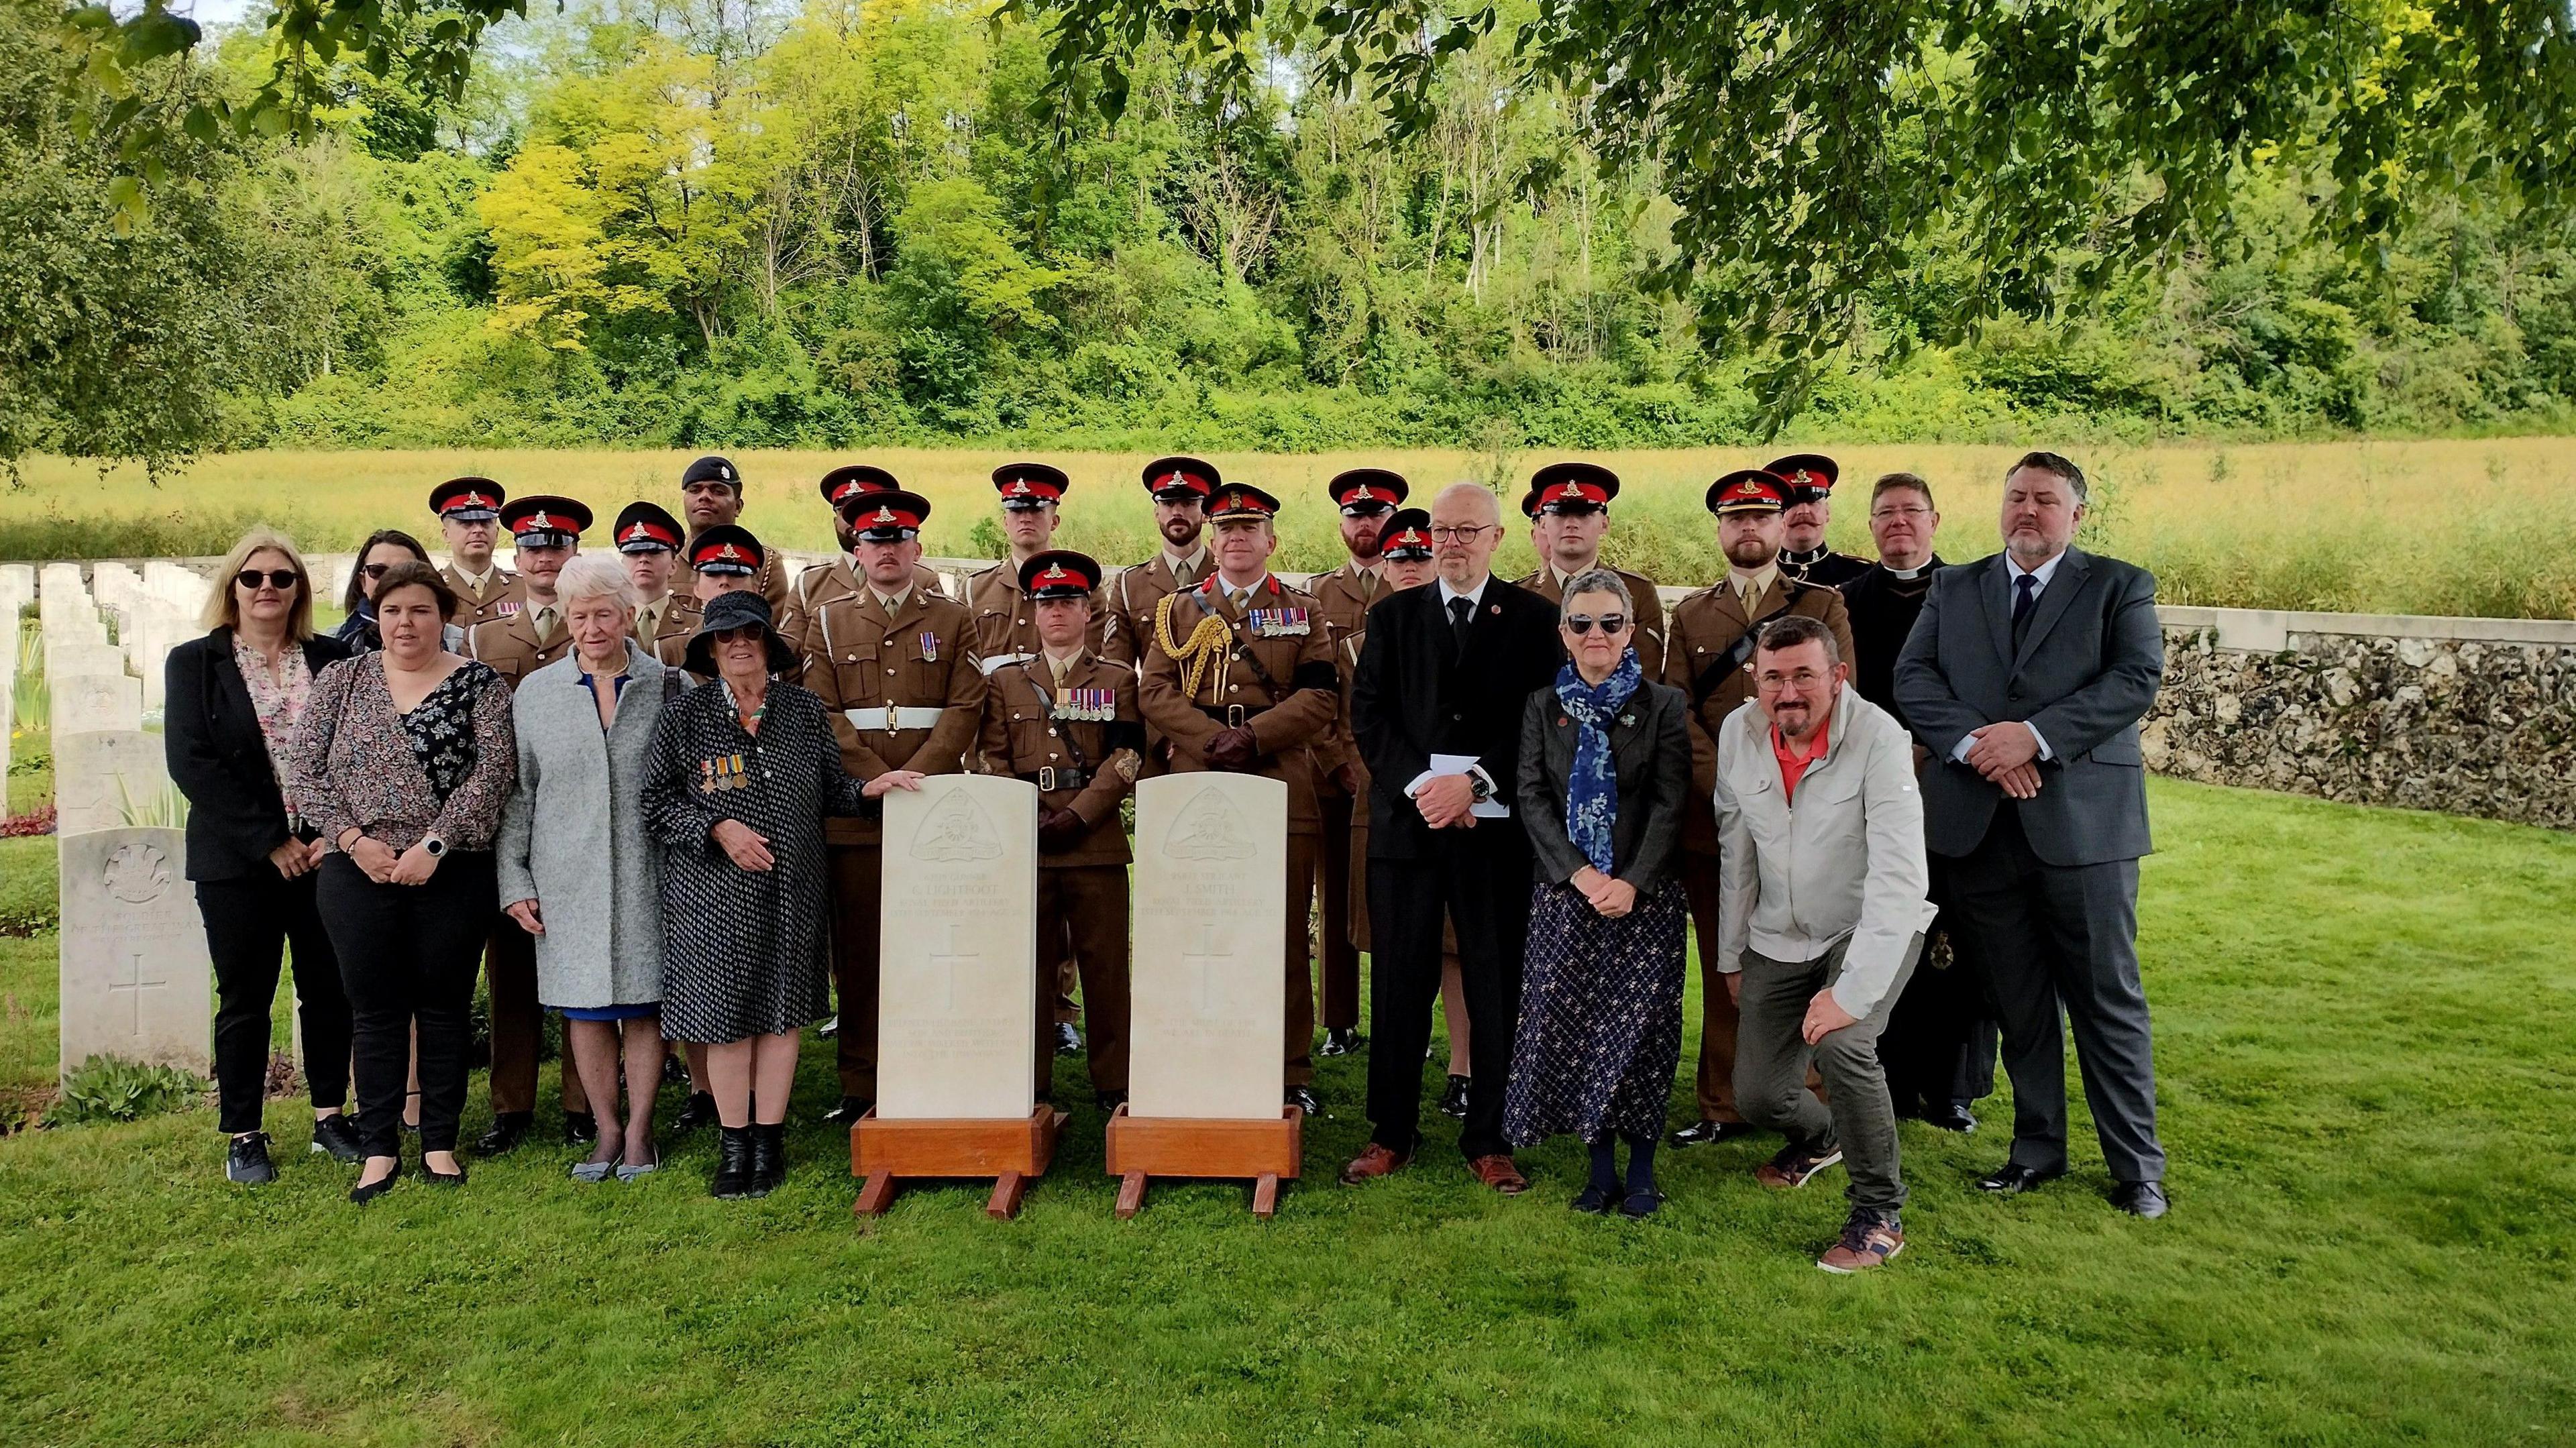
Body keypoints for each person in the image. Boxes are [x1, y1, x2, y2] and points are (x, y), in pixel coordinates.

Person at [1895, 451, 2170, 1217]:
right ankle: (2036, 1148)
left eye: (2045, 500)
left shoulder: (2120, 585)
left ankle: (2136, 1166)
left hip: (2084, 833)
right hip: (1980, 832)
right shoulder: (1954, 586)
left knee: (2105, 1000)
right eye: (2016, 497)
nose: (2028, 510)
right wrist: (1982, 747)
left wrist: (2036, 737)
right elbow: (1915, 678)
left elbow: (2134, 678)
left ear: (2076, 515)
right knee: (2018, 1005)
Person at [643, 591, 917, 1199]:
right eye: (725, 637)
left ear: (768, 642)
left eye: (750, 633)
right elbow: (656, 804)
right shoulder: (682, 718)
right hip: (711, 892)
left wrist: (872, 790)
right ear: (710, 650)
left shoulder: (802, 708)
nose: (739, 644)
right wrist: (718, 828)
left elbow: (832, 790)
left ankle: (769, 1141)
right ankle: (733, 1142)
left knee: (783, 1013)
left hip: (793, 888)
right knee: (726, 1020)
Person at [1344, 482, 1563, 1192]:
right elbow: (1371, 715)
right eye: (1440, 530)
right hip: (1408, 829)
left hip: (1496, 834)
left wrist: (1474, 784)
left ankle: (1491, 1137)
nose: (1451, 543)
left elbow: (1544, 719)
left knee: (1498, 983)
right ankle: (1390, 1131)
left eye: (1467, 530)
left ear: (1498, 537)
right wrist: (1425, 788)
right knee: (1401, 979)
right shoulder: (1393, 616)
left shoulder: (1535, 619)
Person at [1715, 615, 1937, 1270]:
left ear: (1837, 677)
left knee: (1845, 1044)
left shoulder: (1880, 738)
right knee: (1756, 1094)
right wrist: (1731, 953)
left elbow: (1900, 878)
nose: (1789, 691)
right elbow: (1738, 849)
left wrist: (1851, 992)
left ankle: (1879, 1213)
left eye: (1805, 674)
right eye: (1774, 676)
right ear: (1756, 681)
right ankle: (1822, 1137)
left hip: (1871, 924)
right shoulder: (1738, 733)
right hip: (1779, 932)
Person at [293, 562, 517, 1203]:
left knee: (444, 1009)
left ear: (442, 616)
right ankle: (380, 1146)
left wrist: (434, 846)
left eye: (419, 610)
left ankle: (440, 1142)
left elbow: (492, 775)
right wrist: (354, 842)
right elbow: (305, 771)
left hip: (451, 868)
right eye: (393, 611)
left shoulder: (481, 685)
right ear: (376, 617)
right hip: (358, 869)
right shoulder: (343, 679)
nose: (405, 623)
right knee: (376, 1011)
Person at [1661, 469, 1857, 1148]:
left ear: (1782, 527)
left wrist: (1776, 784)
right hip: (1716, 820)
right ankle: (1722, 1102)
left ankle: (1808, 1100)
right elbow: (1677, 711)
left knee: (1806, 957)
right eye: (1736, 517)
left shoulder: (1823, 605)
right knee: (1727, 958)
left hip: (1803, 815)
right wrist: (1735, 784)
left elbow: (1834, 699)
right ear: (1720, 529)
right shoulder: (1691, 614)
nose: (1749, 528)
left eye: (1762, 516)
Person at [1136, 482, 1340, 1116]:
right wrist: (1210, 739)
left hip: (1277, 776)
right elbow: (1155, 692)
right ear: (1212, 539)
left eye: (1250, 528)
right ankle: (1194, 1050)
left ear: (1271, 541)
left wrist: (1252, 736)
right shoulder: (1179, 611)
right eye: (1226, 529)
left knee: (1279, 933)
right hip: (1197, 776)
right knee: (1195, 927)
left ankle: (1289, 1068)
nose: (1236, 538)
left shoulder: (1304, 611)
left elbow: (1321, 697)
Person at [165, 529, 360, 1184]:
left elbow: (352, 752)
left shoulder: (331, 657)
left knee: (327, 988)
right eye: (254, 577)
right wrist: (269, 840)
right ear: (232, 587)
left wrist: (327, 834)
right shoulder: (194, 662)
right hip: (237, 861)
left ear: (300, 588)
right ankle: (244, 1131)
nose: (268, 588)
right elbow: (193, 762)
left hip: (323, 852)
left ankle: (331, 1115)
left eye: (283, 577)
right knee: (246, 995)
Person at [1504, 570, 1692, 1217]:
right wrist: (1580, 875)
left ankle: (1642, 1167)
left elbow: (1671, 802)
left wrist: (1630, 882)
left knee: (1642, 1032)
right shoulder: (1540, 705)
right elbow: (1530, 795)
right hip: (1567, 895)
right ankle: (1598, 1166)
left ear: (1630, 629)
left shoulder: (1664, 704)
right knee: (1580, 1030)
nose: (1597, 635)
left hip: (1645, 899)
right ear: (1564, 633)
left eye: (1610, 622)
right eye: (1582, 623)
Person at [798, 489, 984, 1122]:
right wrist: (876, 779)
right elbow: (823, 714)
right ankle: (861, 1082)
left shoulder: (955, 618)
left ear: (917, 549)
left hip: (934, 805)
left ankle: (938, 1068)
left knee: (939, 944)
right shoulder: (829, 620)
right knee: (860, 950)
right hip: (859, 813)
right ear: (857, 549)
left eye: (898, 540)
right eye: (874, 541)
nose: (886, 550)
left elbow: (965, 709)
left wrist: (916, 776)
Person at [494, 555, 680, 1184]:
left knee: (645, 1005)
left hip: (650, 872)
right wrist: (514, 879)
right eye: (580, 615)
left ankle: (641, 1130)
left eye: (605, 613)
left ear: (628, 615)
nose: (592, 627)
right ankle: (604, 1127)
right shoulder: (537, 694)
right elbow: (519, 793)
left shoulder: (669, 687)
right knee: (585, 1008)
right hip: (566, 877)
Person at [1842, 473, 1992, 1133]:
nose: (1898, 523)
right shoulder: (1845, 602)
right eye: (1885, 514)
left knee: (1959, 938)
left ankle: (1954, 1085)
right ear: (1871, 526)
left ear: (1937, 519)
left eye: (1911, 512)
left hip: (1953, 785)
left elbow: (1991, 685)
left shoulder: (1977, 593)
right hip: (1871, 791)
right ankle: (1890, 1074)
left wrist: (1936, 746)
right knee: (1884, 931)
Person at [976, 550, 1141, 1107]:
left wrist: (1079, 814)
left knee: (1106, 968)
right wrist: (1028, 812)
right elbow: (990, 757)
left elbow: (1128, 758)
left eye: (1069, 601)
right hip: (1030, 844)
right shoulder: (1006, 682)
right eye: (1048, 603)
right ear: (1033, 611)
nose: (1058, 613)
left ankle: (1114, 1082)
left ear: (1088, 610)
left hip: (1093, 842)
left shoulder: (1118, 679)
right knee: (1030, 968)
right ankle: (1033, 1081)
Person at [466, 494, 596, 1152]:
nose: (546, 557)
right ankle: (511, 1105)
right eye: (534, 547)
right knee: (511, 971)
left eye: (558, 545)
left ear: (575, 553)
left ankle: (582, 1103)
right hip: (508, 819)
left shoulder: (596, 625)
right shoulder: (483, 635)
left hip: (578, 821)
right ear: (516, 556)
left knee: (579, 964)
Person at [1340, 511, 1476, 1116]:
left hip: (1473, 811)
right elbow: (1353, 720)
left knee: (1461, 949)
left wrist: (1462, 786)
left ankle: (1466, 1069)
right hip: (1389, 806)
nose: (1411, 567)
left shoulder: (1477, 623)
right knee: (1395, 955)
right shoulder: (1372, 631)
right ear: (1384, 567)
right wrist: (1413, 786)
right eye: (1399, 559)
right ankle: (1395, 1101)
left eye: (1421, 557)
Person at [967, 459, 1091, 1052]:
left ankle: (1061, 1009)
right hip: (1001, 758)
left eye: (1036, 510)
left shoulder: (1085, 589)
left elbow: (1100, 672)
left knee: (1064, 908)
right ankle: (1012, 1004)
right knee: (1010, 895)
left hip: (1069, 753)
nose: (1026, 518)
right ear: (1005, 518)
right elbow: (970, 678)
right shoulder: (975, 590)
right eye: (1016, 510)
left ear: (1054, 518)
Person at [1307, 467, 1407, 1058]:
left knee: (1404, 897)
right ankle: (1339, 1020)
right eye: (1355, 515)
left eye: (1376, 515)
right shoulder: (1317, 595)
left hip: (1401, 777)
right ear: (1342, 524)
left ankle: (1408, 1018)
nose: (1365, 524)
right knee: (1337, 893)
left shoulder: (1415, 582)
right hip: (1334, 774)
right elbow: (1316, 689)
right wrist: (1338, 759)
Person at [1510, 463, 1668, 678]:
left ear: (1604, 524)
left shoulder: (1637, 592)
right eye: (1560, 514)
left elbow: (1644, 679)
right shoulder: (1518, 597)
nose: (1571, 524)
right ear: (1544, 525)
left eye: (1584, 514)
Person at [779, 465, 945, 659]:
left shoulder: (923, 580)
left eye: (866, 510)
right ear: (835, 521)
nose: (856, 521)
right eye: (845, 511)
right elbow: (790, 659)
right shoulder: (809, 585)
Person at [1099, 455, 1216, 669]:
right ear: (1156, 513)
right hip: (1155, 700)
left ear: (1206, 515)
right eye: (1168, 503)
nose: (1177, 512)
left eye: (1188, 503)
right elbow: (1117, 669)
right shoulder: (1131, 584)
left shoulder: (1228, 576)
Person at [677, 455, 792, 616]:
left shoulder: (766, 563)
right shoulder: (667, 559)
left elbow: (773, 631)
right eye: (695, 490)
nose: (705, 497)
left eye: (718, 491)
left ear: (738, 507)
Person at [429, 476, 525, 626]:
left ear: (497, 532)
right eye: (466, 523)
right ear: (446, 534)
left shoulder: (524, 588)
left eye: (485, 522)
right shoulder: (432, 590)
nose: (478, 530)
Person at [615, 502, 700, 669]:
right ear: (622, 563)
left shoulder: (697, 624)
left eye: (654, 552)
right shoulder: (608, 622)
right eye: (634, 552)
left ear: (674, 565)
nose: (643, 559)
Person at [334, 529, 448, 654]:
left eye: (405, 570)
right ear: (363, 582)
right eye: (377, 570)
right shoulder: (332, 643)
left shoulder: (457, 642)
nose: (392, 579)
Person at [1770, 453, 1872, 589]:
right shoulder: (1759, 581)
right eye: (1792, 503)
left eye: (1813, 501)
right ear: (1777, 517)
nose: (1804, 511)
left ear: (1827, 512)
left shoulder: (1862, 576)